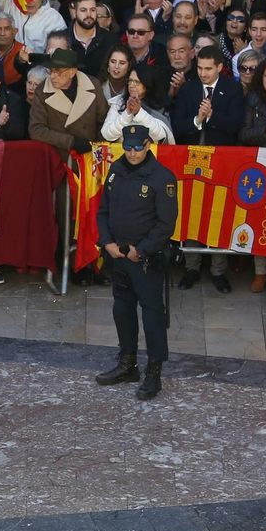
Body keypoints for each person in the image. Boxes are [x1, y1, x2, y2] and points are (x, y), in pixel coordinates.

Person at [93, 125, 178, 399]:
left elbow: (166, 225)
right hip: (118, 255)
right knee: (122, 310)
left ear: (147, 144)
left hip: (145, 259)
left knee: (152, 314)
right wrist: (106, 242)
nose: (131, 152)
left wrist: (140, 251)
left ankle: (154, 371)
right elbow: (103, 210)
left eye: (137, 147)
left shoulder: (162, 178)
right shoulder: (116, 170)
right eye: (127, 147)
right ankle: (127, 363)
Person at [28, 47, 102, 154]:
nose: (52, 76)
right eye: (51, 70)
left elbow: (103, 120)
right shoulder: (42, 91)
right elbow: (36, 130)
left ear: (72, 72)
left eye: (58, 72)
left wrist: (96, 148)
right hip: (57, 156)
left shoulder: (93, 86)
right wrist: (71, 141)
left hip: (89, 155)